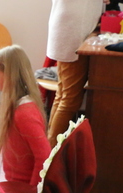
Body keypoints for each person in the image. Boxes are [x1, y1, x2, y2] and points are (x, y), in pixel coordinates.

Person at [0, 45, 51, 186]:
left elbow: (44, 155)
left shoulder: (24, 113)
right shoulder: (18, 107)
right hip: (16, 183)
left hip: (24, 187)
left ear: (10, 76)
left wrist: (32, 192)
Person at [46, 0, 107, 146]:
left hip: (69, 26)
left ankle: (49, 147)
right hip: (73, 29)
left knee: (63, 95)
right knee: (70, 100)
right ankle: (51, 152)